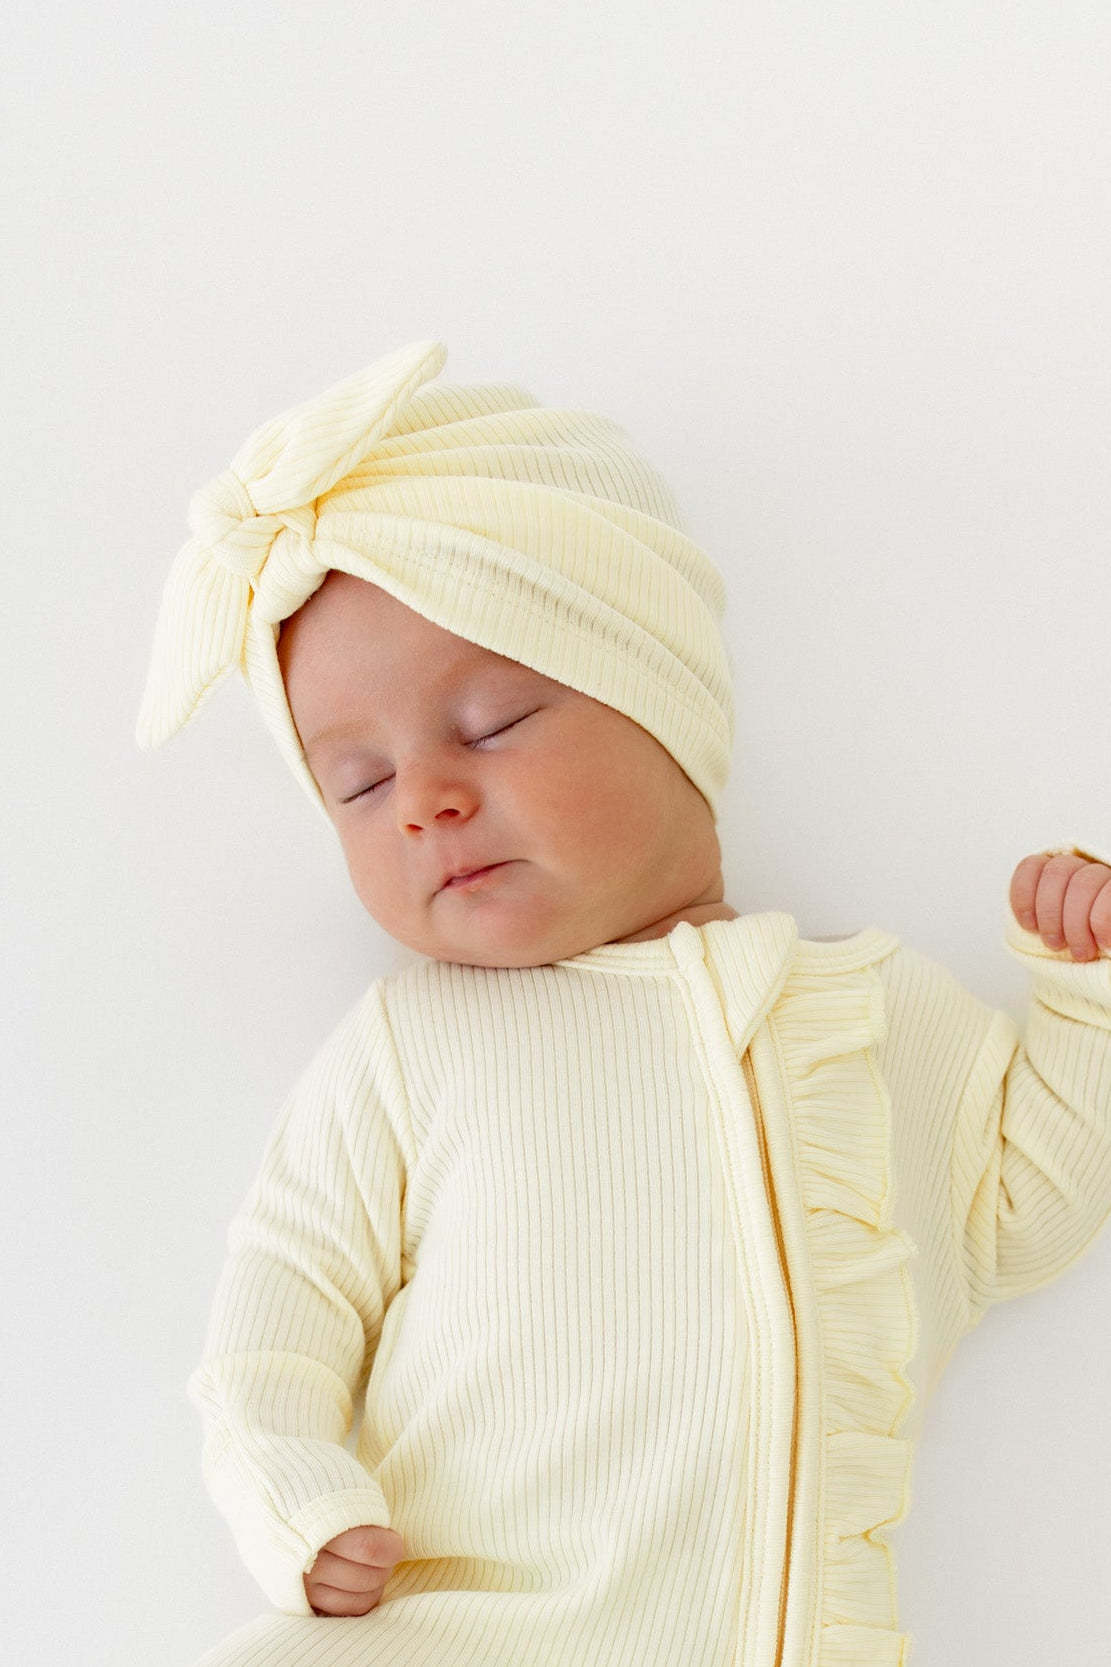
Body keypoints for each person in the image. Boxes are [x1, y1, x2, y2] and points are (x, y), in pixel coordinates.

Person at [137, 340, 1111, 1667]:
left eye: (488, 724)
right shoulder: (416, 1045)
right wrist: (292, 1500)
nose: (424, 799)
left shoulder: (878, 1011)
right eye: (358, 784)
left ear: (663, 706)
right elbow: (282, 1305)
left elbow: (1021, 1215)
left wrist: (1088, 1004)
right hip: (442, 1634)